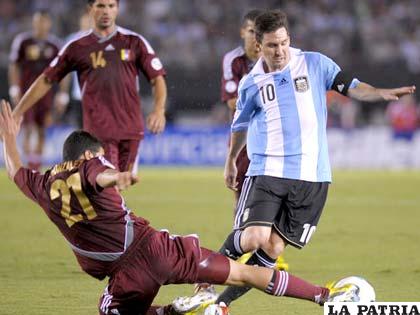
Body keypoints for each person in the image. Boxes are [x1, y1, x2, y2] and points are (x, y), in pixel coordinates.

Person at [1, 99, 355, 315]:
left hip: (127, 279)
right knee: (243, 273)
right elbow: (97, 175)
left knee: (109, 310)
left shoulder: (43, 184)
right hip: (160, 250)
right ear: (90, 152)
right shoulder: (93, 164)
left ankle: (176, 311)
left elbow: (15, 170)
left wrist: (9, 139)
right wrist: (117, 175)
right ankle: (325, 296)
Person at [174, 9, 416, 315]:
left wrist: (379, 92)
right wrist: (231, 161)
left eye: (284, 43)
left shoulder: (315, 63)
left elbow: (352, 86)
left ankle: (220, 304)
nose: (280, 51)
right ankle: (204, 286)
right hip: (267, 171)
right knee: (253, 238)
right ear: (258, 46)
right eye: (272, 45)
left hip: (313, 176)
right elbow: (239, 126)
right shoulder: (252, 82)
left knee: (273, 248)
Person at [12, 0, 167, 173]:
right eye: (101, 5)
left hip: (131, 131)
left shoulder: (135, 42)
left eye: (111, 6)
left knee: (122, 183)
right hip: (98, 133)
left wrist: (159, 110)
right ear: (90, 9)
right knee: (108, 185)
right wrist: (17, 112)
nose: (106, 11)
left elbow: (157, 78)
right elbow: (46, 80)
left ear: (117, 9)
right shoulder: (77, 47)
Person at [8, 9, 62, 170]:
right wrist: (14, 87)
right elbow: (14, 66)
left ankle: (36, 165)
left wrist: (62, 94)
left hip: (46, 94)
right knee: (28, 127)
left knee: (42, 129)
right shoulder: (23, 42)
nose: (41, 25)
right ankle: (25, 164)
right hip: (26, 93)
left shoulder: (54, 45)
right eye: (38, 21)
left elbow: (63, 71)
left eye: (44, 21)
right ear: (33, 22)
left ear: (49, 23)